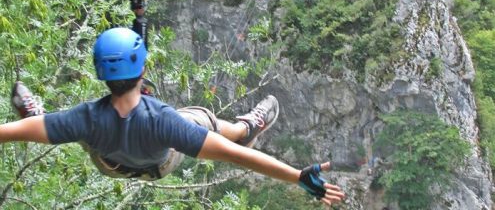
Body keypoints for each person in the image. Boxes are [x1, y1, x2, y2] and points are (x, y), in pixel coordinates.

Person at [4, 27, 344, 206]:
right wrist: (297, 176)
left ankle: (38, 118)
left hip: (106, 161)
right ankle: (246, 127)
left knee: (72, 128)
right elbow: (240, 157)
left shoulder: (87, 117)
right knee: (200, 118)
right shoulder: (162, 121)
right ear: (143, 68)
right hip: (159, 164)